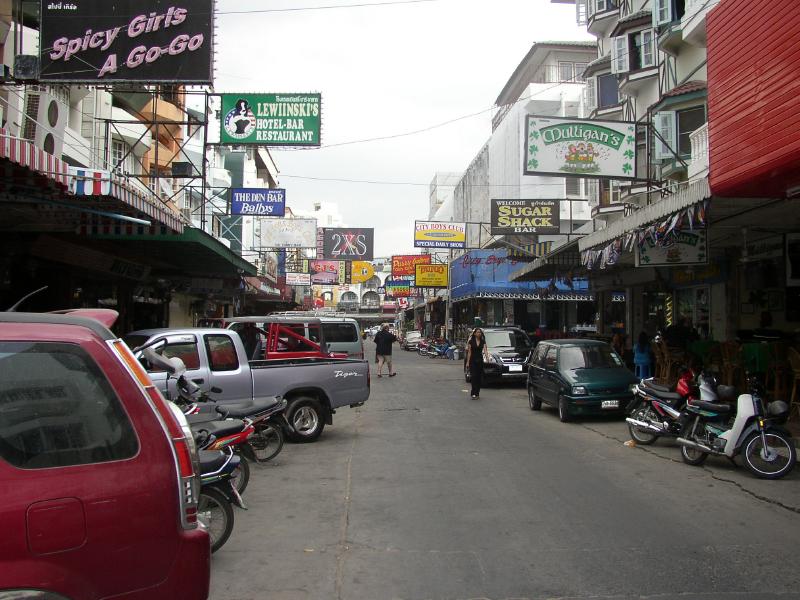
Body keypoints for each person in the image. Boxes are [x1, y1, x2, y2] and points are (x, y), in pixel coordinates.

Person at [464, 327, 489, 399]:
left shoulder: (483, 341)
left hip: (480, 361)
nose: (479, 333)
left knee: (478, 377)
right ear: (474, 334)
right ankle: (473, 393)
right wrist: (468, 362)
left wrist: (487, 358)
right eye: (477, 332)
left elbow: (485, 350)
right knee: (474, 376)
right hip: (472, 361)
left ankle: (477, 393)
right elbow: (469, 352)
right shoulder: (471, 341)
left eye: (480, 332)